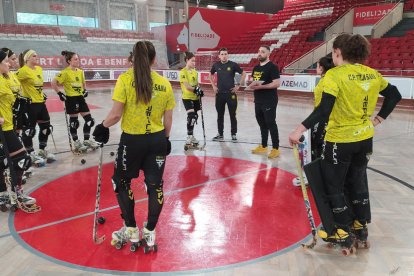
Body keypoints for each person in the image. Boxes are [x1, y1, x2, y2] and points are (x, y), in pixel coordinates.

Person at [288, 34, 402, 250]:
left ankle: (341, 230)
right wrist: (378, 119)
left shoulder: (334, 76)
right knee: (357, 181)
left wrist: (298, 129)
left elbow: (324, 110)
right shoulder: (371, 74)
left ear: (338, 52)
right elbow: (394, 95)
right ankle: (360, 226)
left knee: (334, 185)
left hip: (340, 140)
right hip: (365, 139)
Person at [92, 41, 175, 250]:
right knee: (155, 186)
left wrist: (102, 126)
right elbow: (168, 120)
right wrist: (165, 140)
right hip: (156, 140)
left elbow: (115, 115)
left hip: (132, 142)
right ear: (154, 59)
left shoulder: (125, 79)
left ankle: (131, 229)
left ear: (133, 58)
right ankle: (150, 232)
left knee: (121, 182)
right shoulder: (164, 84)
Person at [0, 50, 36, 207]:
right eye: (6, 61)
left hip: (9, 125)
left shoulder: (5, 78)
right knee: (21, 158)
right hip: (3, 128)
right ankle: (10, 193)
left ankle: (12, 193)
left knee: (13, 161)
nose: (8, 63)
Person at [51, 50, 98, 153]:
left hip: (80, 98)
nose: (78, 61)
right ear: (69, 61)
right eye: (75, 59)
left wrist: (85, 90)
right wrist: (60, 93)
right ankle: (76, 142)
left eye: (78, 59)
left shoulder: (80, 71)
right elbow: (53, 83)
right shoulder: (65, 72)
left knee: (89, 121)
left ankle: (86, 141)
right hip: (71, 99)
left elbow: (83, 83)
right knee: (74, 123)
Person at [16, 49, 55, 163]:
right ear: (27, 58)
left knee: (46, 128)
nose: (36, 57)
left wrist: (42, 94)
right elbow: (12, 82)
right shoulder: (22, 71)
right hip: (29, 105)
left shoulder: (39, 69)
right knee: (29, 131)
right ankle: (30, 153)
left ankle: (42, 150)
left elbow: (37, 86)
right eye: (34, 56)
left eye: (37, 55)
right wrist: (19, 96)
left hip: (41, 104)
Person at [249, 45, 281, 159]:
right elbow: (255, 81)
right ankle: (263, 146)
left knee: (270, 123)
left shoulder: (272, 67)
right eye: (259, 51)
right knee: (262, 123)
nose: (260, 53)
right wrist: (251, 84)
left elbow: (277, 83)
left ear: (268, 54)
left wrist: (262, 86)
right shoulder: (256, 68)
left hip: (269, 100)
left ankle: (276, 148)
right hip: (258, 99)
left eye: (262, 52)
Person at [209, 47, 245, 142]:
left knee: (233, 115)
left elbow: (243, 74)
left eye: (226, 54)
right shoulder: (216, 65)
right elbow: (210, 74)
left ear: (227, 55)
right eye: (222, 54)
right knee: (220, 115)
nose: (224, 56)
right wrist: (213, 86)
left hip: (231, 94)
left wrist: (238, 85)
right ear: (219, 56)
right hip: (220, 94)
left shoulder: (233, 65)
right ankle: (220, 134)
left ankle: (233, 134)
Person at [311, 56, 334, 160]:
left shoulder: (325, 82)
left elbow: (322, 105)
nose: (316, 68)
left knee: (317, 145)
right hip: (323, 116)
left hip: (322, 118)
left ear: (321, 68)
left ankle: (317, 171)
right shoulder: (325, 80)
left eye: (317, 66)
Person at [180, 52, 204, 147]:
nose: (194, 62)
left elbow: (197, 84)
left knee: (194, 117)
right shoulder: (183, 72)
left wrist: (199, 90)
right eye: (192, 61)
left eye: (195, 61)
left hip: (195, 98)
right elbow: (187, 86)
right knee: (192, 116)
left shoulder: (195, 71)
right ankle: (189, 137)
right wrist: (196, 90)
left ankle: (191, 135)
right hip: (187, 97)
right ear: (187, 60)